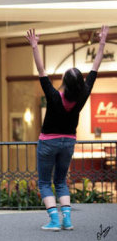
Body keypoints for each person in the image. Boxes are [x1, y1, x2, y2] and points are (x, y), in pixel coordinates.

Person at [25, 25, 109, 231]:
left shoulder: (53, 97)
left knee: (45, 182)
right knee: (61, 181)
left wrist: (35, 46)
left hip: (48, 142)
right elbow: (96, 68)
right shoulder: (83, 95)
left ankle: (54, 220)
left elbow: (41, 70)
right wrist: (102, 42)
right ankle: (67, 220)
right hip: (68, 142)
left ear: (64, 82)